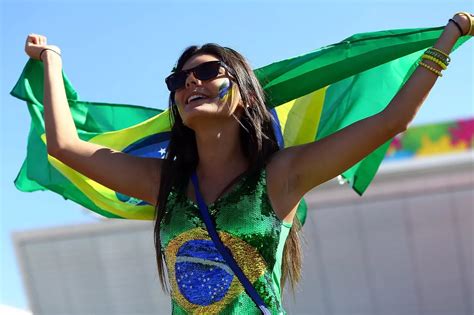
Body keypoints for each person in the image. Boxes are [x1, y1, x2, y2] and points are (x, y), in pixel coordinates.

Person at [24, 12, 473, 314]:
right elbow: (62, 145)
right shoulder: (164, 184)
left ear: (241, 89)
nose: (190, 84)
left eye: (207, 73)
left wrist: (448, 38)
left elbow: (390, 121)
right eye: (179, 80)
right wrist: (52, 60)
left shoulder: (282, 176)